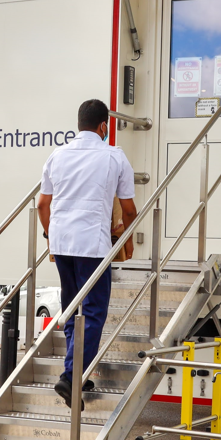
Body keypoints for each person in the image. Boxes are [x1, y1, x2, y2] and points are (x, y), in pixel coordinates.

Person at [37, 99, 137, 408]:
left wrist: (49, 233)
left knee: (72, 308)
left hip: (62, 243)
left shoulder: (57, 155)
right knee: (93, 311)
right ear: (104, 126)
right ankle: (71, 376)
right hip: (93, 244)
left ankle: (77, 371)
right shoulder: (114, 157)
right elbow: (130, 210)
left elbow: (42, 204)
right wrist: (128, 241)